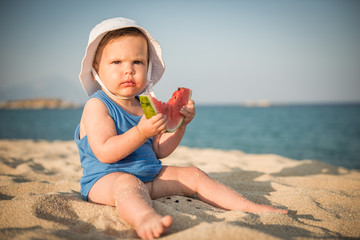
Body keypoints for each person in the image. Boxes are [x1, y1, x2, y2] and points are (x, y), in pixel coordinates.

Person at [75, 17, 288, 240]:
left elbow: (159, 150)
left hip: (149, 178)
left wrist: (180, 126)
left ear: (147, 67)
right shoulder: (97, 105)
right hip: (106, 181)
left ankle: (249, 207)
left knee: (193, 174)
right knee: (127, 184)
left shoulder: (145, 104)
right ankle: (145, 219)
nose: (128, 70)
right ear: (95, 71)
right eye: (116, 62)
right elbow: (105, 152)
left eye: (137, 62)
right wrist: (140, 132)